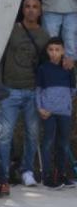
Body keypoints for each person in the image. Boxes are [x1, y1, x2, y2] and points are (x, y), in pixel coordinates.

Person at [0, 0, 49, 186]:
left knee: (32, 134)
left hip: (33, 91)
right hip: (10, 90)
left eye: (35, 7)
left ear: (40, 11)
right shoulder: (11, 30)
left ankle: (27, 171)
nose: (31, 10)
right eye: (27, 6)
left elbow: (46, 65)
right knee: (4, 134)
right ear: (22, 9)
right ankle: (2, 173)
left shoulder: (44, 35)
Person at [35, 37, 77, 189]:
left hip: (64, 112)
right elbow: (38, 90)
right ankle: (47, 177)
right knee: (48, 143)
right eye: (51, 50)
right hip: (48, 112)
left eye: (57, 50)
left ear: (63, 51)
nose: (54, 53)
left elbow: (73, 90)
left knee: (63, 144)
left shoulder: (69, 68)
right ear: (47, 51)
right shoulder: (43, 69)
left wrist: (64, 102)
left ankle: (62, 175)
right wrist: (40, 108)